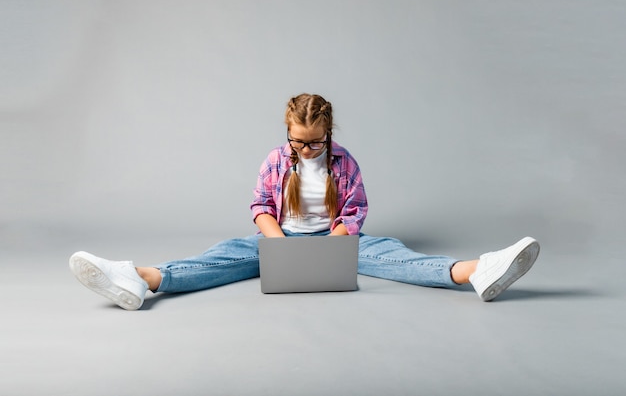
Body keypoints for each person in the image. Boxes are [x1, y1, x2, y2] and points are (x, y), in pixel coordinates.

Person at [69, 93, 540, 310]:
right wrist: (279, 246)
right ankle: (138, 279)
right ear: (288, 135)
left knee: (393, 254)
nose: (306, 150)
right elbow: (260, 208)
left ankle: (479, 270)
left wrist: (335, 242)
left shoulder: (344, 161)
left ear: (328, 135)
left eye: (314, 143)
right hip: (281, 240)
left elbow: (354, 210)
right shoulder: (276, 159)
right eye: (298, 142)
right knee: (223, 256)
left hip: (333, 241)